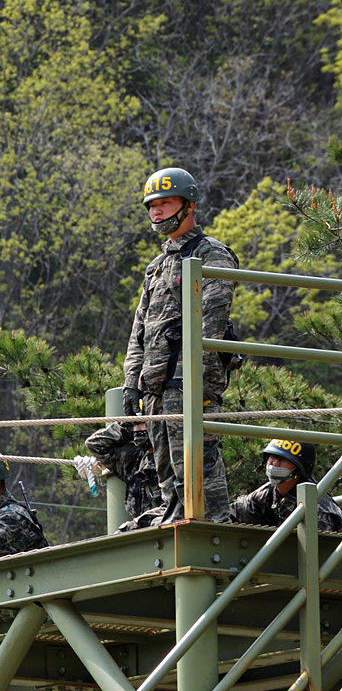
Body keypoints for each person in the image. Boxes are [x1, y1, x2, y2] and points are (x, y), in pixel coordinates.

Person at [122, 167, 237, 523]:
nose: (156, 212)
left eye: (165, 203)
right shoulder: (157, 266)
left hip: (189, 378)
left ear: (188, 205)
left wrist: (190, 382)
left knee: (196, 458)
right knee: (164, 464)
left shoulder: (211, 254)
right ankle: (174, 514)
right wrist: (131, 381)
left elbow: (210, 327)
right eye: (151, 206)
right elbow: (139, 329)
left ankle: (216, 523)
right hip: (155, 381)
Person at [231, 440, 342, 532]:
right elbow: (234, 513)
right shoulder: (268, 493)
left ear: (300, 468)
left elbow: (319, 553)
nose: (274, 463)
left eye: (282, 459)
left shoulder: (317, 512)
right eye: (272, 457)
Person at [85, 413, 161, 531]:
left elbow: (176, 509)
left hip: (166, 528)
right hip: (143, 534)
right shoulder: (133, 459)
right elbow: (95, 444)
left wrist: (154, 426)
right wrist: (133, 425)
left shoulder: (175, 459)